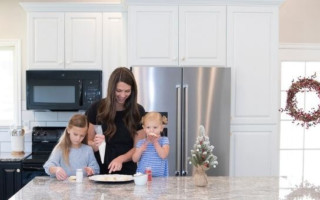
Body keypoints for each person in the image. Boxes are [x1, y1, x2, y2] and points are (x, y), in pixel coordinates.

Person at [86, 67, 145, 175]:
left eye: (127, 91)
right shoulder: (96, 108)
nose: (123, 95)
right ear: (111, 89)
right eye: (119, 91)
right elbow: (87, 141)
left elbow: (138, 147)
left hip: (128, 173)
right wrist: (96, 145)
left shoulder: (138, 111)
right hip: (99, 172)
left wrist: (121, 159)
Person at [43, 114, 100, 181]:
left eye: (82, 136)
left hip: (82, 187)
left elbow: (96, 169)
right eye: (75, 134)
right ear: (68, 130)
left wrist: (91, 170)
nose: (78, 138)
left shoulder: (88, 150)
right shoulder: (60, 148)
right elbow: (48, 166)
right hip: (63, 188)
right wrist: (56, 169)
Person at [132, 112, 169, 177]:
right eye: (148, 127)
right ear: (144, 128)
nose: (151, 130)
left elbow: (163, 155)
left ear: (161, 128)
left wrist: (155, 143)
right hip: (143, 178)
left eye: (155, 127)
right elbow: (135, 159)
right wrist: (141, 148)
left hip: (160, 179)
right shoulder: (141, 143)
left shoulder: (164, 140)